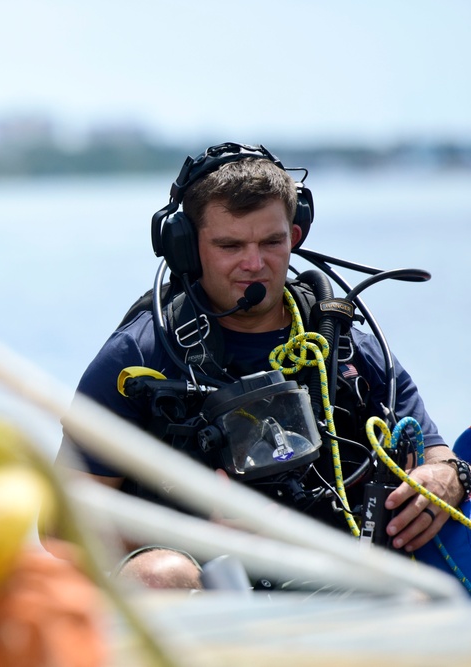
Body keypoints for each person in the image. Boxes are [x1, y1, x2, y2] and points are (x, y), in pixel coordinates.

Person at [54, 142, 471, 591]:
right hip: (213, 593)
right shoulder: (137, 360)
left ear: (295, 235)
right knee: (160, 577)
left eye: (271, 242)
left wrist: (449, 476)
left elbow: (435, 450)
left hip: (348, 579)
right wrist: (197, 530)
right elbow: (59, 529)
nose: (254, 265)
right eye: (230, 245)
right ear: (187, 247)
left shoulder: (345, 344)